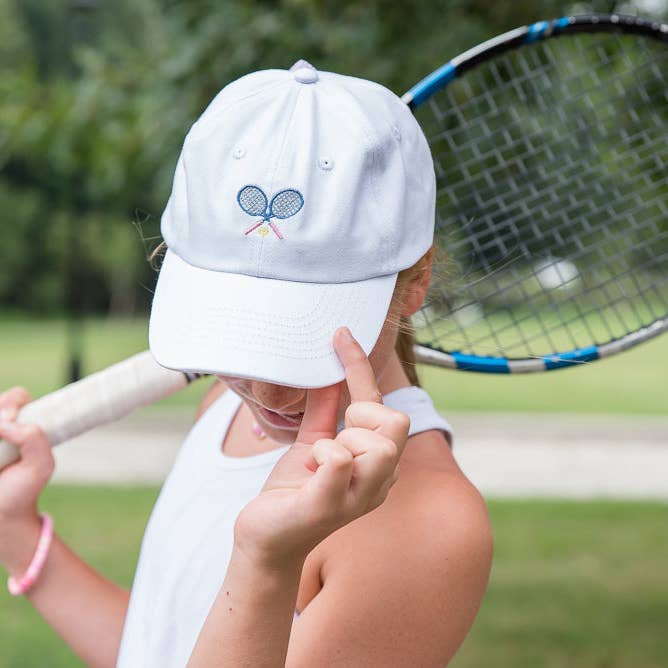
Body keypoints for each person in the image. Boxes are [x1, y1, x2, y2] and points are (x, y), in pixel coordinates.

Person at [0, 61, 493, 667]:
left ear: (414, 284)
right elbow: (160, 650)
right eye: (237, 328)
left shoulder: (431, 524)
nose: (264, 390)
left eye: (306, 342)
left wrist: (265, 559)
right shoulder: (226, 409)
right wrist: (15, 529)